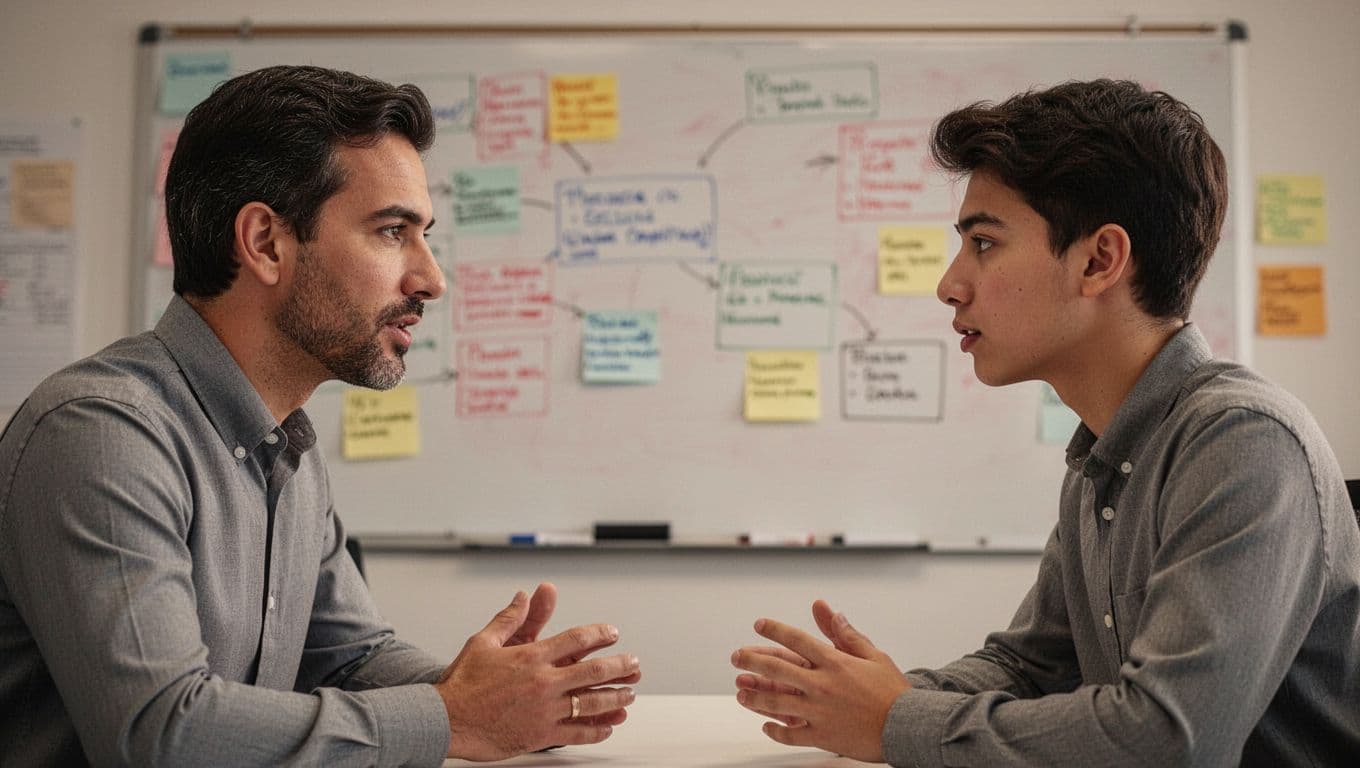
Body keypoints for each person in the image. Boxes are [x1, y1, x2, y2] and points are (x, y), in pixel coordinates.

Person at [0, 65, 639, 766]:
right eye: (393, 231)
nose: (431, 278)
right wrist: (456, 717)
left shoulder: (287, 449)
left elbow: (347, 658)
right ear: (267, 243)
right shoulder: (102, 435)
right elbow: (162, 735)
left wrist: (505, 703)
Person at [730, 79, 1360, 766]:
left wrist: (895, 721)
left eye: (985, 243)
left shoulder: (1243, 444)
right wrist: (872, 699)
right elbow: (1030, 668)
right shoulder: (1105, 455)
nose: (949, 283)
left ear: (1099, 260)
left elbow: (1169, 741)